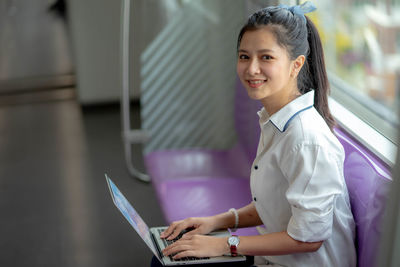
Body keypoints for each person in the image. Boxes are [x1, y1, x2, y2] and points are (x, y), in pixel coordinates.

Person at [154, 2, 356, 266]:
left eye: (266, 57)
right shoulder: (275, 120)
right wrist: (215, 222)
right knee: (168, 256)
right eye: (244, 56)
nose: (251, 69)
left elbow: (308, 238)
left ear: (296, 65)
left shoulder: (306, 139)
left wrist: (223, 243)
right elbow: (275, 205)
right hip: (274, 260)